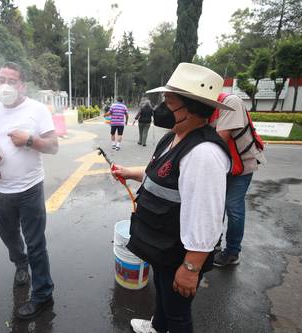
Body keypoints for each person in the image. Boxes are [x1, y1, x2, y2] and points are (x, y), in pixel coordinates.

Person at [112, 63, 233, 333]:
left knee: (178, 314)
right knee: (165, 297)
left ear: (191, 108)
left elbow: (206, 216)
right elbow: (161, 175)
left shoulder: (204, 154)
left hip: (181, 253)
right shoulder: (173, 137)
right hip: (162, 245)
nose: (161, 108)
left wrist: (191, 268)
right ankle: (157, 326)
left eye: (168, 102)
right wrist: (129, 172)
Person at [0, 62, 58, 320]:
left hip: (30, 189)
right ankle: (20, 263)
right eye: (1, 79)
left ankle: (42, 294)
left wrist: (29, 140)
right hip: (0, 187)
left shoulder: (37, 110)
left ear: (22, 85)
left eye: (11, 80)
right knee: (8, 236)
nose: (5, 85)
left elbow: (53, 146)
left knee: (36, 243)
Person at [209, 94, 266, 267]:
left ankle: (233, 252)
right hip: (222, 166)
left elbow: (220, 138)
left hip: (242, 165)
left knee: (233, 207)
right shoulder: (204, 107)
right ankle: (214, 243)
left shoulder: (230, 101)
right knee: (216, 206)